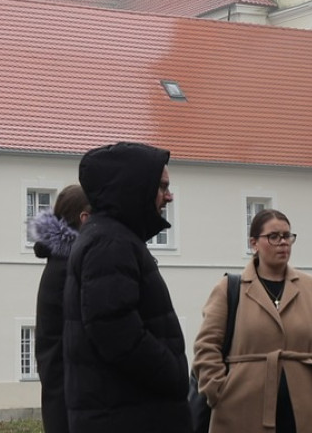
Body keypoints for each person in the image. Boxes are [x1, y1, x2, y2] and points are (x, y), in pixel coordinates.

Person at [64, 141, 189, 433]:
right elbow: (114, 330)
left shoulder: (112, 237)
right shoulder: (111, 243)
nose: (169, 196)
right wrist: (172, 374)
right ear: (134, 188)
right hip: (127, 417)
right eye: (161, 186)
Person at [192, 209, 312, 433]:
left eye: (287, 236)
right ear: (254, 243)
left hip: (308, 413)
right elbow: (206, 347)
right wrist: (218, 391)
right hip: (240, 412)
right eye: (274, 236)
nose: (283, 243)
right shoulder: (228, 289)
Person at [31, 184, 91, 433]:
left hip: (60, 390)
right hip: (71, 395)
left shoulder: (58, 261)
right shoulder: (72, 267)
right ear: (84, 218)